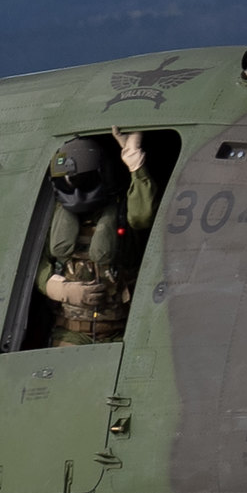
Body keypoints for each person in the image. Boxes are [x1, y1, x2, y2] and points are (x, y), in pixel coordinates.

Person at [39, 127, 156, 345]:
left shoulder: (120, 213)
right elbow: (37, 263)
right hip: (70, 333)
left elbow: (142, 216)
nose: (75, 187)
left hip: (118, 333)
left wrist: (136, 168)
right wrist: (56, 288)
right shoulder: (56, 220)